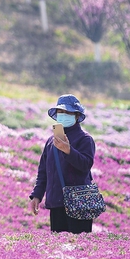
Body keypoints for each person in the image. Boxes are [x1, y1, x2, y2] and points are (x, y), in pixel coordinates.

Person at [28, 94, 97, 234]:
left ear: (77, 116)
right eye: (61, 112)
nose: (63, 115)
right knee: (59, 248)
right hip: (56, 203)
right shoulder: (50, 141)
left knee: (80, 248)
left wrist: (68, 151)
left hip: (79, 203)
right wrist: (37, 195)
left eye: (68, 112)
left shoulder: (85, 139)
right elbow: (43, 172)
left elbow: (85, 165)